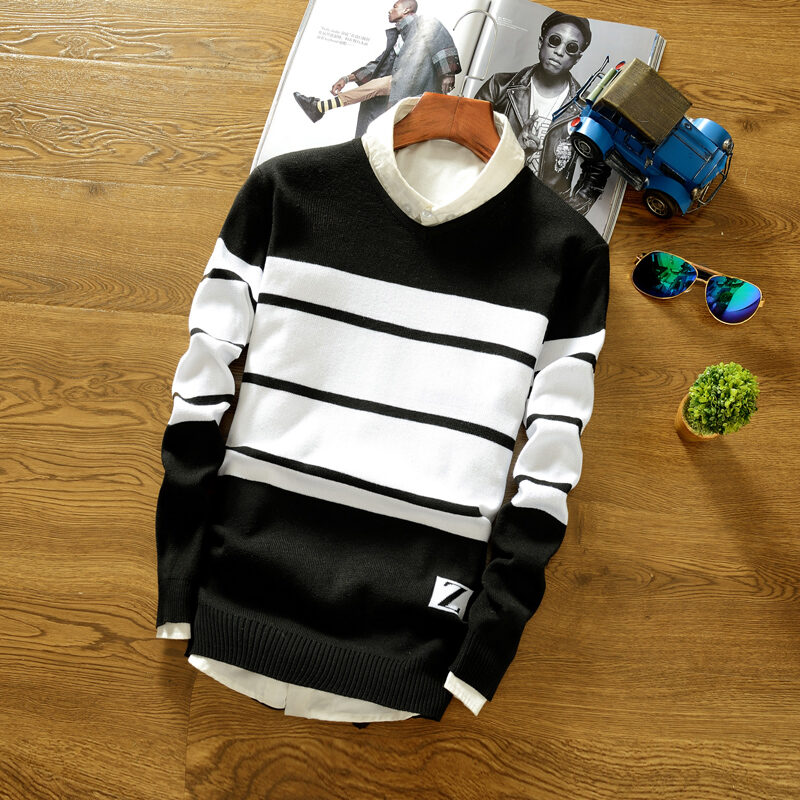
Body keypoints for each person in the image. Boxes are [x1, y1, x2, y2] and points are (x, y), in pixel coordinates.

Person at [475, 11, 610, 215]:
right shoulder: (499, 86)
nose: (559, 52)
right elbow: (468, 142)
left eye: (571, 48)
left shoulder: (586, 109)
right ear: (541, 42)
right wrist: (513, 149)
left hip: (543, 214)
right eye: (554, 41)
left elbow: (598, 168)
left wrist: (568, 214)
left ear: (578, 58)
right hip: (491, 198)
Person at [294, 0, 461, 136]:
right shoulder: (398, 38)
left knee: (378, 86)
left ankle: (320, 107)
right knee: (377, 128)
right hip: (400, 89)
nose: (389, 10)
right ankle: (320, 108)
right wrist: (347, 78)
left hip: (422, 89)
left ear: (406, 10)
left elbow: (441, 41)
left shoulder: (425, 22)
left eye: (395, 6)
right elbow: (379, 64)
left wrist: (448, 74)